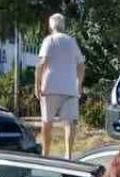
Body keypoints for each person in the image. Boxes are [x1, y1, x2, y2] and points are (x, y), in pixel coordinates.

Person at [35, 13, 85, 158]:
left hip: (50, 87)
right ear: (63, 25)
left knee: (47, 122)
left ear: (51, 26)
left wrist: (37, 84)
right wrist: (78, 84)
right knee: (70, 122)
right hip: (70, 87)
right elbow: (81, 65)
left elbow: (41, 64)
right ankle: (68, 155)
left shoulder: (49, 40)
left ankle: (46, 154)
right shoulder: (72, 41)